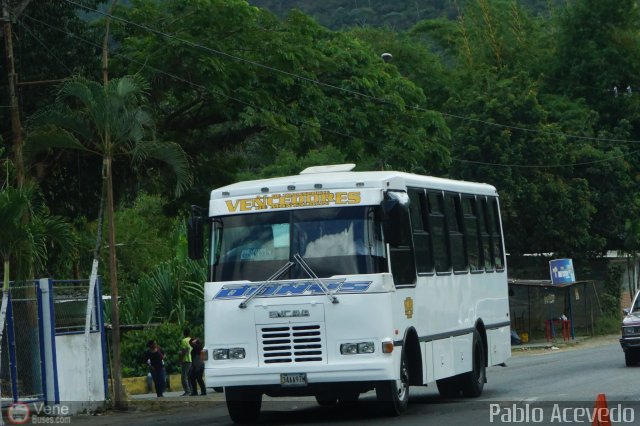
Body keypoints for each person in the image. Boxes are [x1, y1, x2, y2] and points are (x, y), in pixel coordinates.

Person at [179, 328, 192, 396]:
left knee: (184, 377)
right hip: (192, 360)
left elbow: (183, 351)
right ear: (189, 333)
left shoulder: (184, 341)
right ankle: (191, 390)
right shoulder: (192, 340)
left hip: (186, 360)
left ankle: (187, 391)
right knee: (189, 376)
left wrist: (180, 359)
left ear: (184, 334)